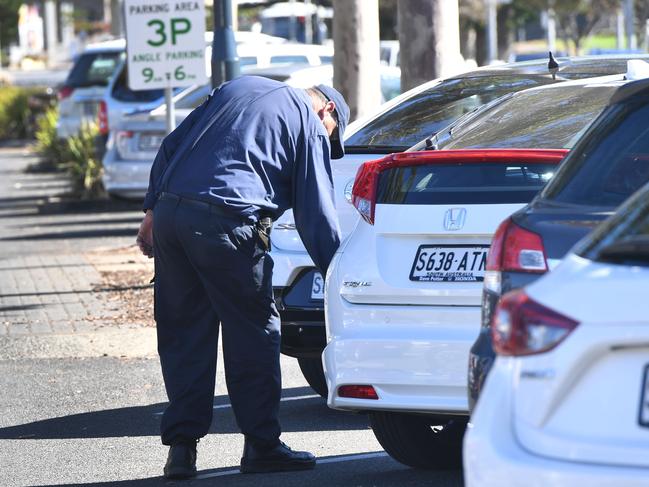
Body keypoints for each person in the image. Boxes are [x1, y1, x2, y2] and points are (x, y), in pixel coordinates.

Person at [135, 76, 350, 480]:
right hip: (227, 224)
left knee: (184, 333)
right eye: (331, 136)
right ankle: (262, 446)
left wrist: (151, 212)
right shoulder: (307, 119)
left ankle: (181, 452)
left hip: (171, 218)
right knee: (253, 333)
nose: (327, 142)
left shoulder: (238, 87)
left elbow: (172, 146)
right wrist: (337, 275)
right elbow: (315, 214)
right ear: (329, 111)